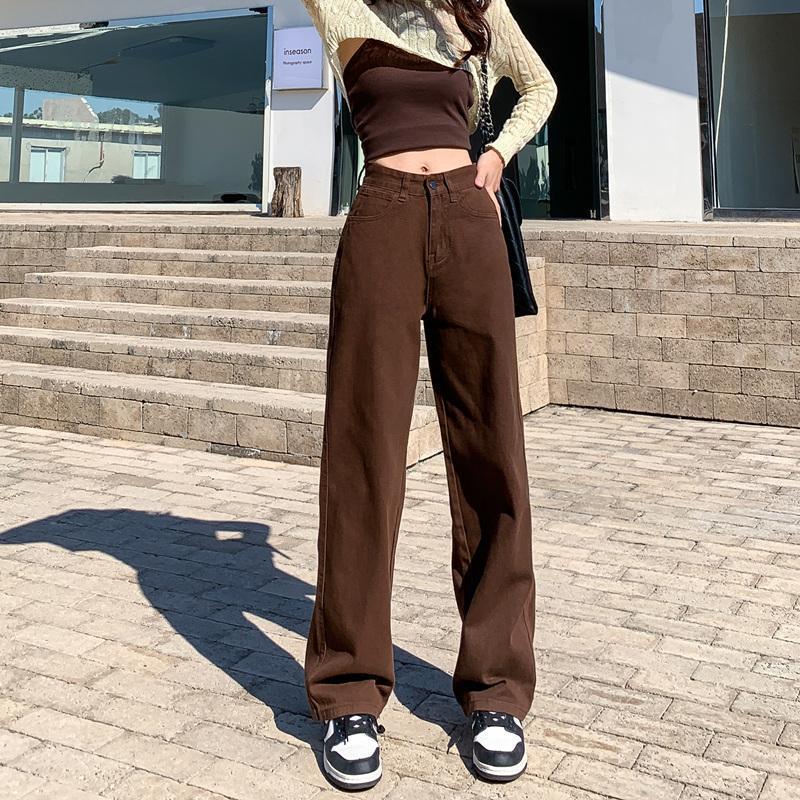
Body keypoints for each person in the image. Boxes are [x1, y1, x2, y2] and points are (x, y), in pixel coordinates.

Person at [297, 0, 558, 790]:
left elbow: (540, 86)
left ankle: (496, 690)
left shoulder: (479, 12)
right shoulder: (343, 7)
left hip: (469, 220)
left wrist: (498, 153)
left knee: (490, 449)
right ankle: (348, 691)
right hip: (382, 215)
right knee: (363, 452)